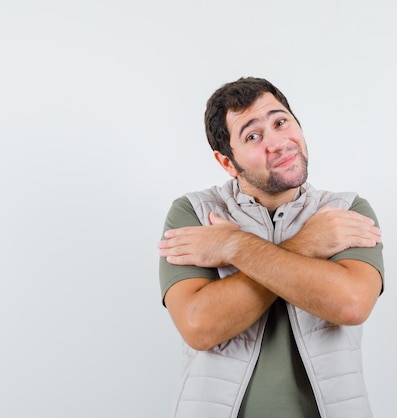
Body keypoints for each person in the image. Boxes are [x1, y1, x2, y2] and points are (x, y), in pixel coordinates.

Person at [157, 77, 384, 418]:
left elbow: (351, 303)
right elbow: (199, 326)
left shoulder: (344, 211)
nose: (278, 142)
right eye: (253, 136)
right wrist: (309, 243)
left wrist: (233, 245)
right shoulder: (195, 213)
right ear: (227, 163)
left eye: (280, 122)